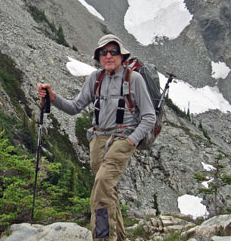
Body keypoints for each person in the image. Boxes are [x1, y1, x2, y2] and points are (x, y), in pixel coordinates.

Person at [37, 34, 156, 241]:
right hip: (98, 140)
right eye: (104, 52)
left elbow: (149, 117)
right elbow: (75, 107)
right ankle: (120, 237)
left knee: (101, 184)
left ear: (122, 55)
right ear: (99, 56)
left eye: (113, 52)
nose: (108, 56)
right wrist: (53, 97)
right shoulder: (96, 78)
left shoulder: (133, 79)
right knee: (108, 190)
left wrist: (131, 140)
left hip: (122, 139)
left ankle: (103, 237)